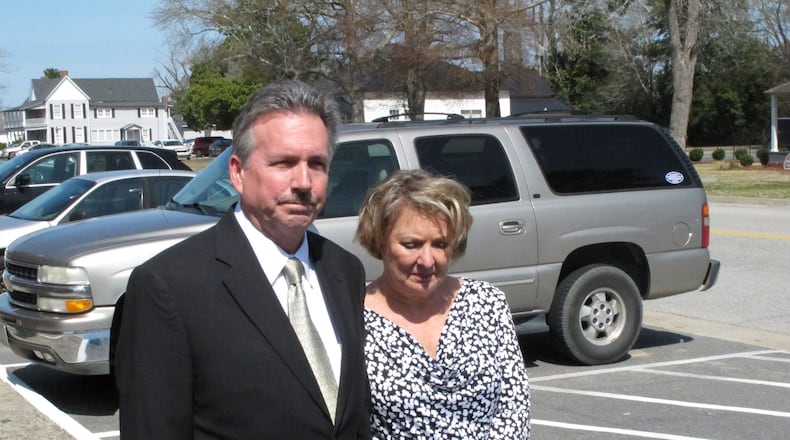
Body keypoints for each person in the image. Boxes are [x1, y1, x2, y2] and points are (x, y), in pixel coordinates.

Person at [115, 80, 371, 439]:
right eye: (283, 163)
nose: (303, 181)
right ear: (237, 171)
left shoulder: (344, 270)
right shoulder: (169, 286)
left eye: (317, 164)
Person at [355, 169, 531, 439]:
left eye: (440, 244)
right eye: (411, 244)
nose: (427, 260)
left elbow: (513, 407)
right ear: (381, 240)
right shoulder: (353, 317)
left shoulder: (486, 303)